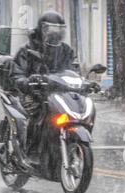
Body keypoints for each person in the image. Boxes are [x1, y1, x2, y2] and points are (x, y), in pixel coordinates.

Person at [10, 10, 77, 162]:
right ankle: (31, 151)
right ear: (42, 29)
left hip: (58, 93)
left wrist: (86, 81)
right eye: (52, 29)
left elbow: (74, 69)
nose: (56, 34)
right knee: (39, 114)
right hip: (32, 93)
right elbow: (17, 74)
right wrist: (28, 81)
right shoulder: (27, 50)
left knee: (74, 111)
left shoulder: (66, 50)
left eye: (60, 30)